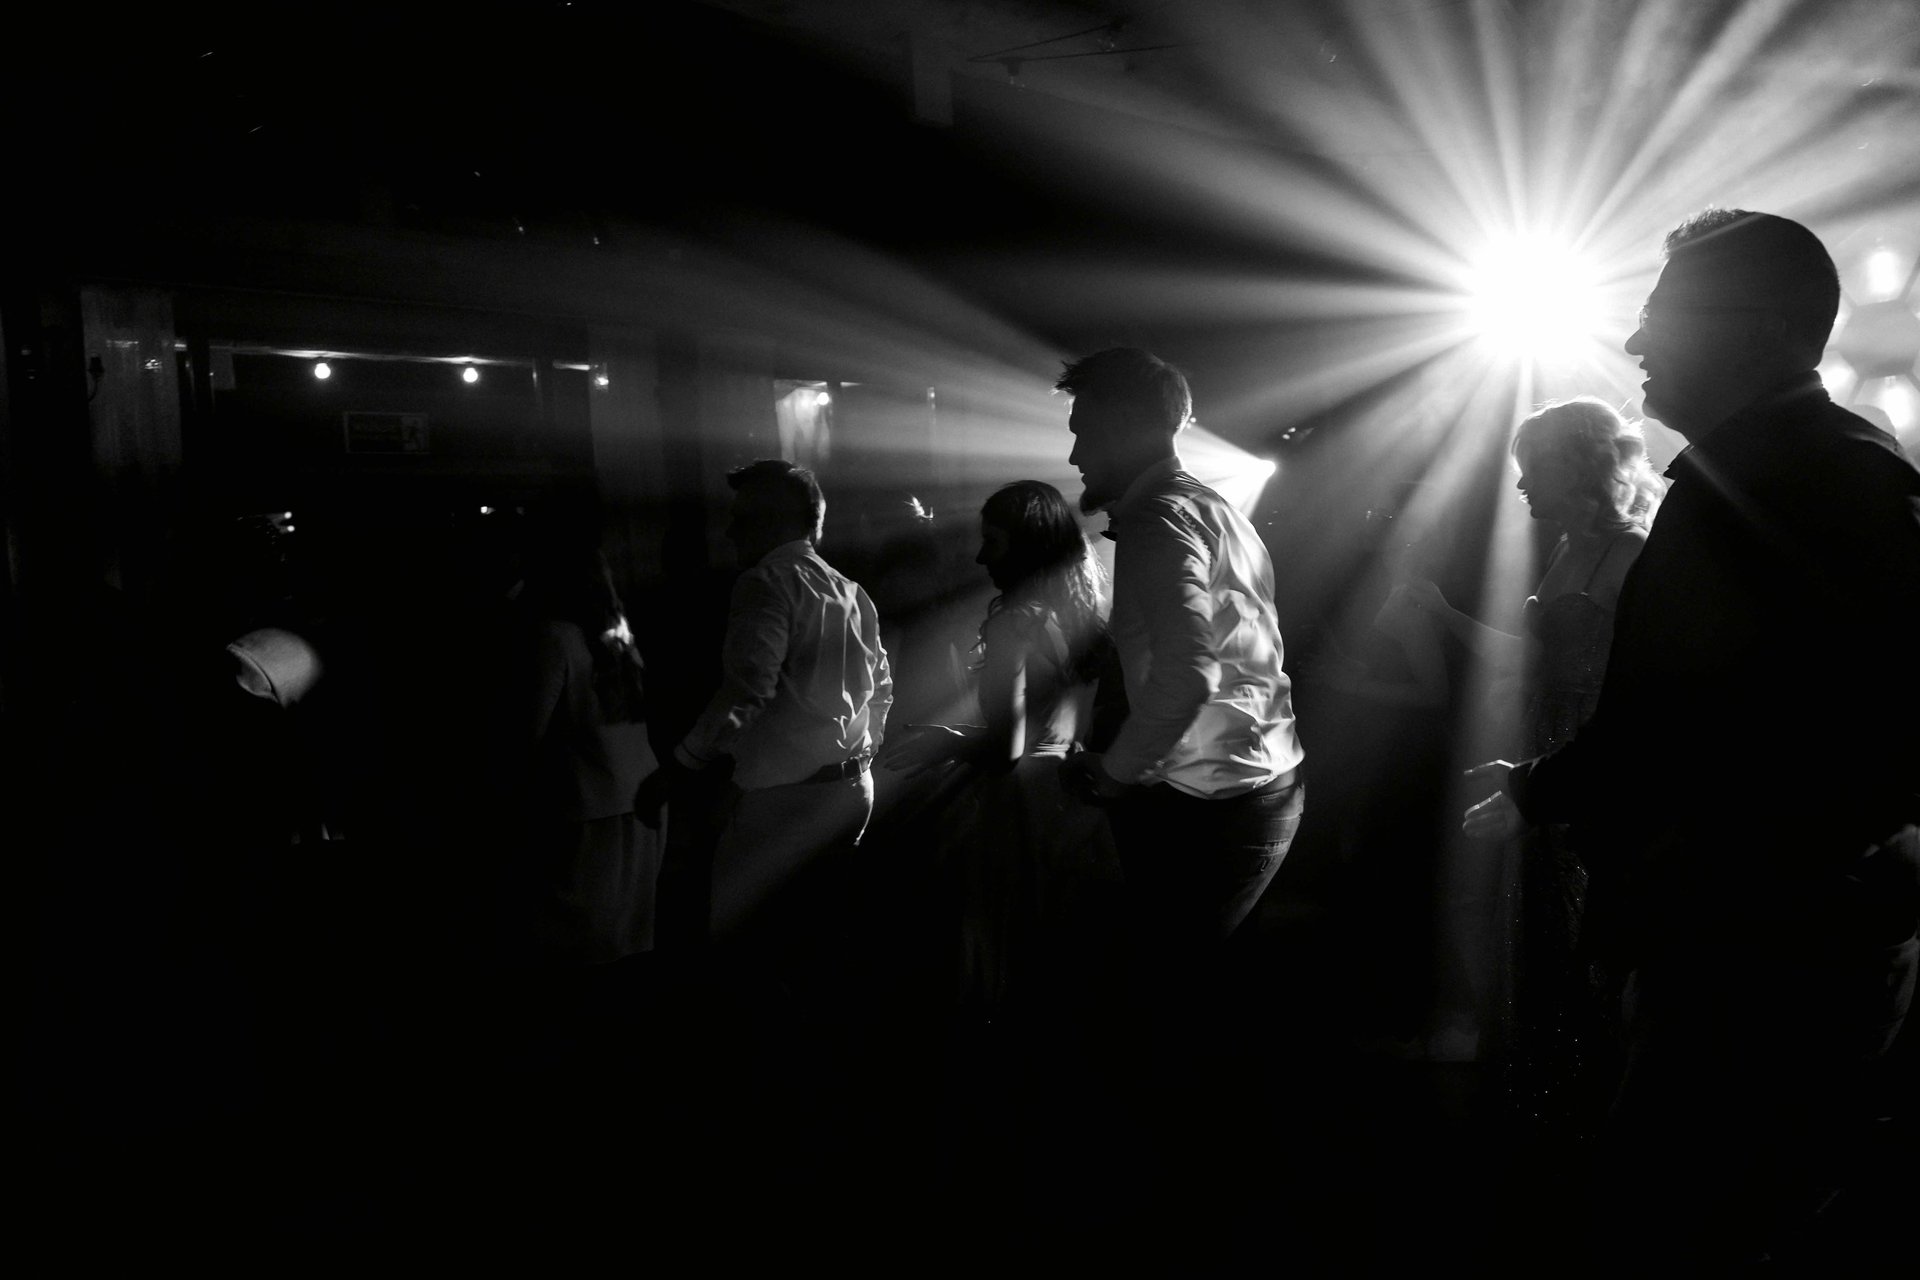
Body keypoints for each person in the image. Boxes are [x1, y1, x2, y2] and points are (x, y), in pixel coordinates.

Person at [1463, 210, 1920, 1272]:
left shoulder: (1804, 488)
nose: (1634, 345)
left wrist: (1722, 852)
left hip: (1769, 947)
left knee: (1679, 1214)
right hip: (1773, 927)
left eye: (1662, 317)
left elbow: (1694, 725)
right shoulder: (1810, 471)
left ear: (1757, 332)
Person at [1410, 399, 1663, 1152]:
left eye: (1531, 467)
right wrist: (1447, 615)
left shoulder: (1633, 553)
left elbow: (1642, 688)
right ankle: (1543, 1098)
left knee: (1583, 935)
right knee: (1538, 930)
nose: (1519, 484)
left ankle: (1587, 1115)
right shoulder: (1565, 551)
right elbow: (1530, 659)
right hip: (1542, 749)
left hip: (1590, 762)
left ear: (1574, 467)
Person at [634, 460, 892, 975]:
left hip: (786, 800)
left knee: (744, 947)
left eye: (742, 518)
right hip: (851, 791)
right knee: (816, 944)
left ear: (776, 521)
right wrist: (855, 755)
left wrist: (678, 767)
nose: (729, 531)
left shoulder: (765, 582)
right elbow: (882, 687)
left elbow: (749, 688)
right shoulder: (848, 588)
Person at [883, 480, 1114, 1013]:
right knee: (1058, 953)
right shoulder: (1079, 614)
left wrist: (945, 741)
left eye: (995, 541)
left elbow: (1008, 749)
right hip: (1073, 801)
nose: (981, 556)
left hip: (1021, 810)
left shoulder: (1015, 624)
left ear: (1027, 544)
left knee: (1003, 954)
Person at [508, 535, 660, 967]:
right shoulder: (619, 638)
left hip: (586, 801)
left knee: (574, 944)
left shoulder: (553, 638)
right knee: (630, 938)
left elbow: (526, 730)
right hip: (640, 796)